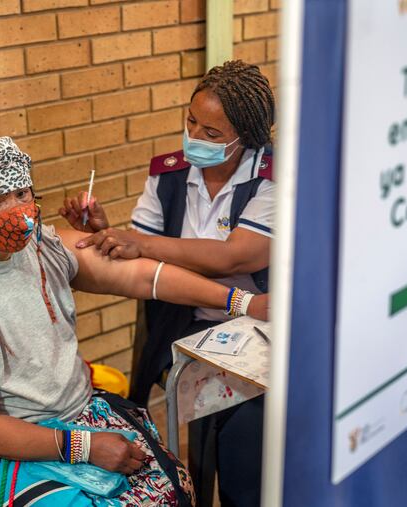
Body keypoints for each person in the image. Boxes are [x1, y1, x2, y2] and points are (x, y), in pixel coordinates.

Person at [0, 135, 268, 507]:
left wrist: (242, 301)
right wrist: (82, 446)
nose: (16, 211)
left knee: (174, 488)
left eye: (22, 193)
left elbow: (144, 276)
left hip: (67, 414)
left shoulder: (41, 247)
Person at [61, 60, 275, 507]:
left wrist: (139, 242)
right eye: (191, 122)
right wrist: (106, 233)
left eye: (213, 134)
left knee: (243, 439)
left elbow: (237, 255)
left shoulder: (274, 179)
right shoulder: (169, 173)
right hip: (188, 323)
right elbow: (142, 257)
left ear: (247, 136)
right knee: (198, 433)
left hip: (261, 324)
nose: (196, 137)